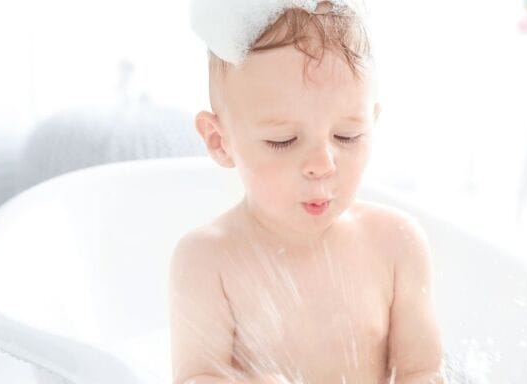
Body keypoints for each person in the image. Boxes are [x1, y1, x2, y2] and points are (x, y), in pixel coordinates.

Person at [170, 1, 444, 383]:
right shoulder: (207, 260)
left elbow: (422, 371)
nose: (322, 163)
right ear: (221, 141)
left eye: (347, 136)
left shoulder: (396, 245)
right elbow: (197, 376)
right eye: (283, 140)